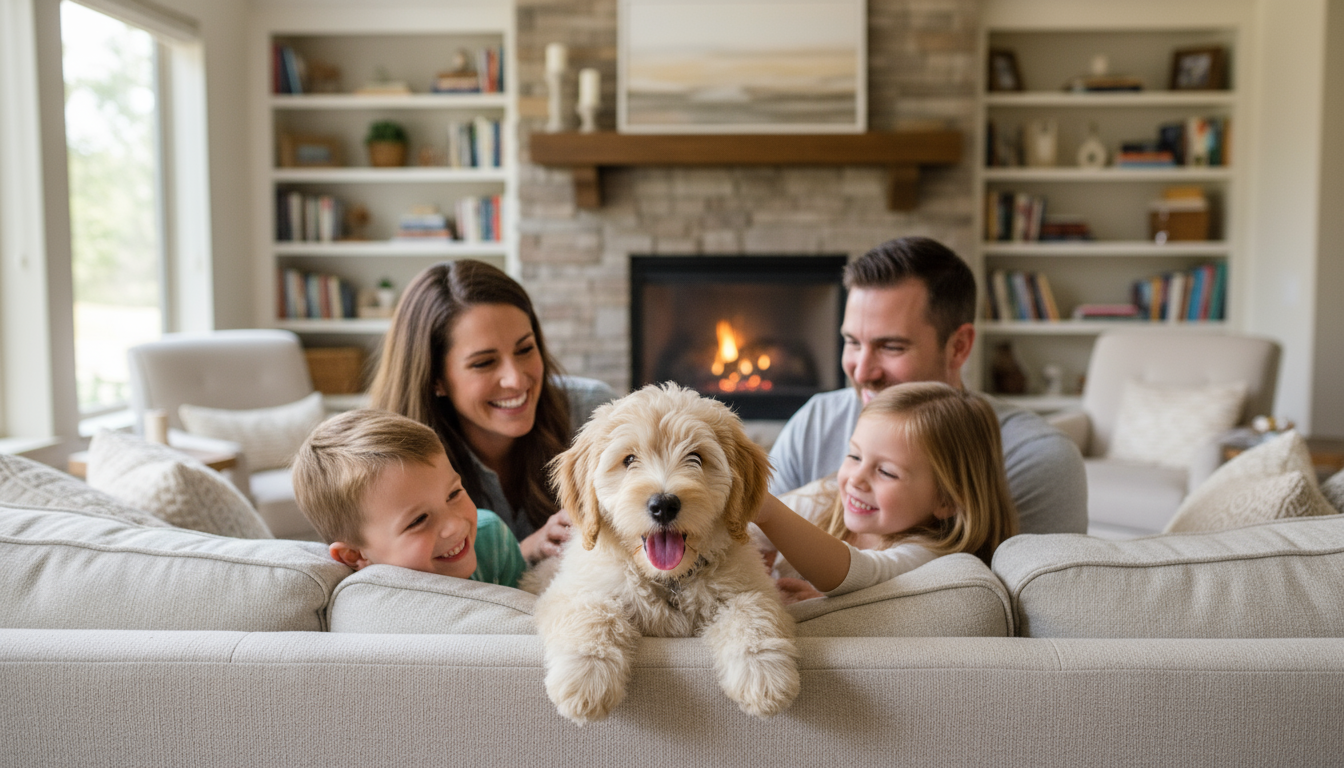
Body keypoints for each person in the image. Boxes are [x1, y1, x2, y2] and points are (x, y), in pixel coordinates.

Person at [767, 236, 1088, 535]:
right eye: (852, 342)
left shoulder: (1034, 459)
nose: (862, 371)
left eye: (891, 347)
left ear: (959, 346)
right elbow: (747, 543)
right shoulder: (817, 421)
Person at [368, 260, 615, 564]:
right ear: (435, 378)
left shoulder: (593, 410)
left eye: (525, 349)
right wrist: (522, 553)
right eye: (484, 363)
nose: (516, 379)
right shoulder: (389, 465)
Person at [754, 382, 1018, 602]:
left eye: (887, 472)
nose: (856, 479)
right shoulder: (825, 497)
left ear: (947, 499)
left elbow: (854, 572)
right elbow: (742, 534)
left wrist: (770, 512)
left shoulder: (928, 556)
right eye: (854, 455)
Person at [292, 409, 525, 588]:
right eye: (418, 520)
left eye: (453, 494)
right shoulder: (371, 607)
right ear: (355, 555)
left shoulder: (493, 540)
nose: (454, 525)